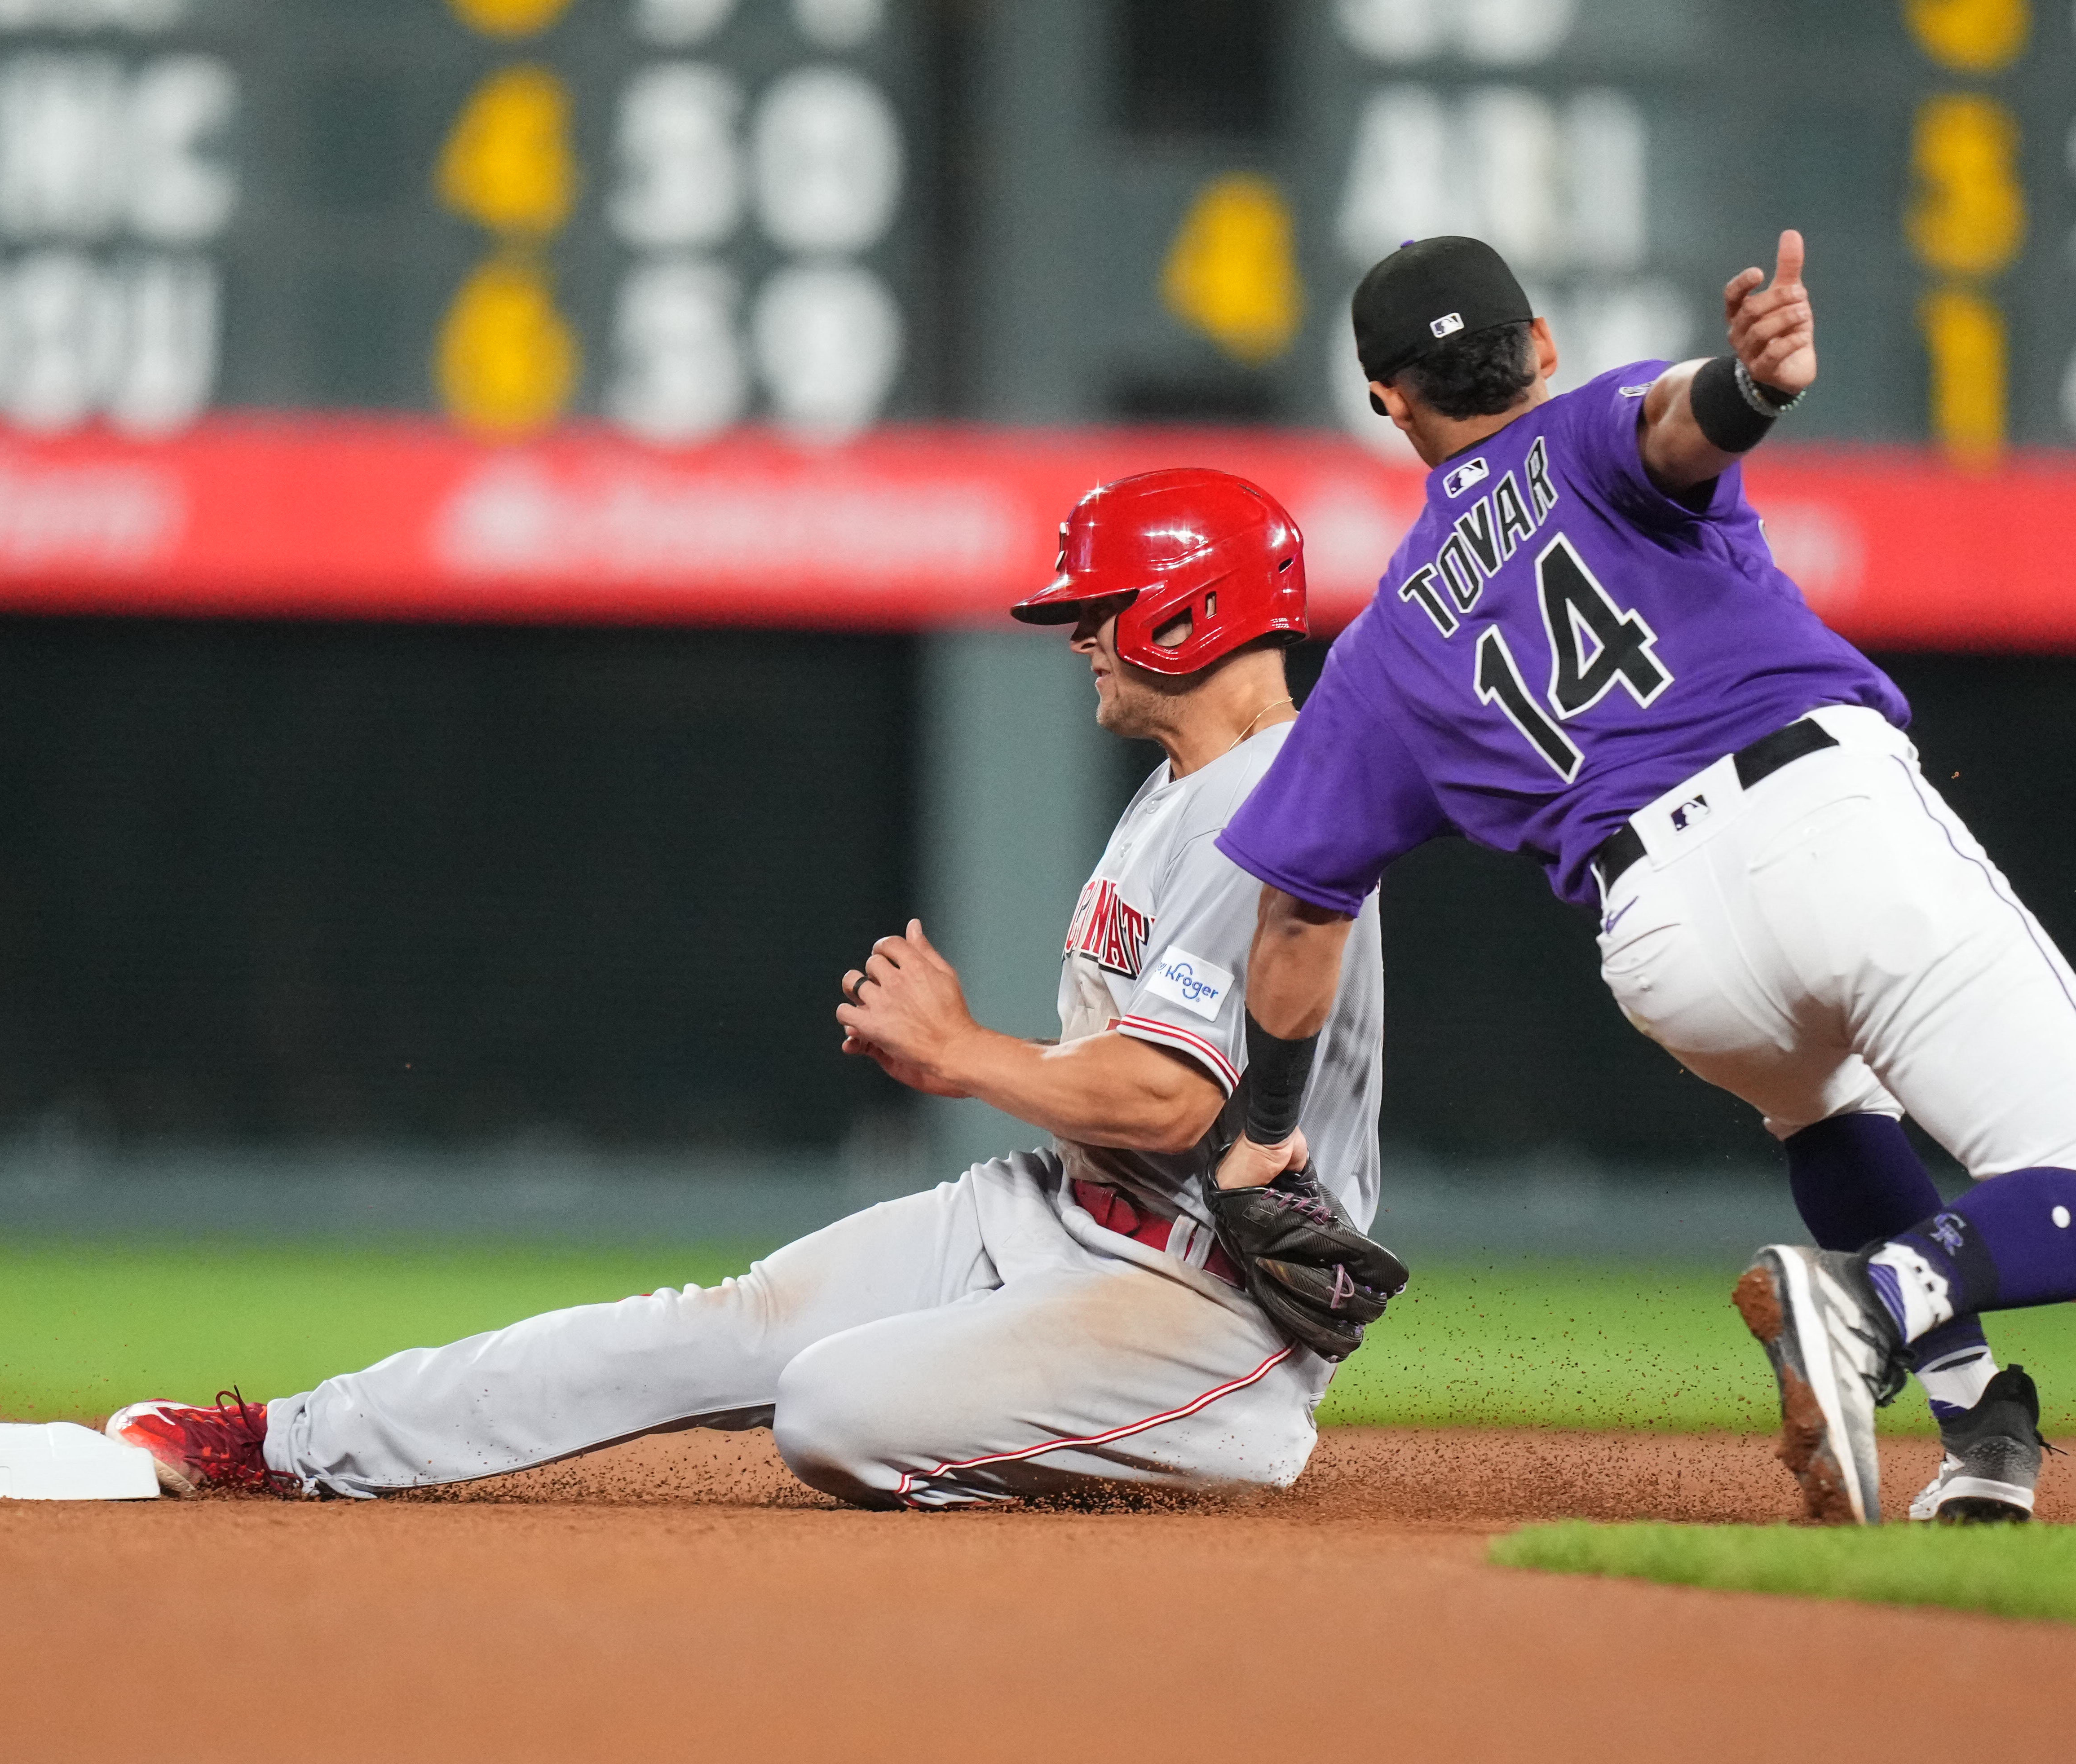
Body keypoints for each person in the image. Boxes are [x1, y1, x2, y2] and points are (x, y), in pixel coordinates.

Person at [103, 468, 1396, 1508]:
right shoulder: (1186, 786)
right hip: (1060, 1214)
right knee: (712, 1331)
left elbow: (1177, 1105)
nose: (1077, 637)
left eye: (1095, 607)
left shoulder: (1277, 801)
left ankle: (1206, 1439)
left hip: (1202, 1305)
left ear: (1186, 611)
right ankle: (286, 1442)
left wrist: (961, 1054)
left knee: (833, 1412)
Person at [1206, 233, 2076, 1526]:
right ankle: (1872, 1305)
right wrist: (1755, 385)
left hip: (1669, 950)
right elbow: (1682, 425)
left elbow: (1297, 911)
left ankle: (1976, 1427)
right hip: (1823, 824)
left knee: (1829, 1107)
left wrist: (1271, 1127)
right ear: (1541, 346)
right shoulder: (1582, 430)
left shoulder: (1387, 646)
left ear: (1388, 400)